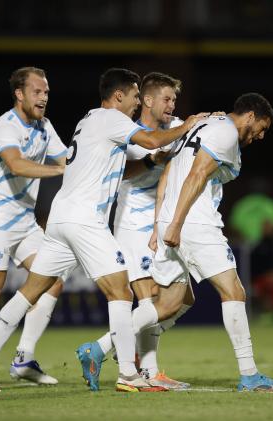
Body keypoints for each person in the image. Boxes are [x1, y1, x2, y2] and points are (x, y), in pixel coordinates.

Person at [0, 68, 207, 393]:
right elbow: (151, 139)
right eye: (136, 96)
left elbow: (123, 170)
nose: (138, 103)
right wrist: (188, 124)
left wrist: (153, 162)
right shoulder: (113, 119)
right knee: (120, 292)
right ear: (119, 96)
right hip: (84, 219)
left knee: (30, 291)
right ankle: (128, 375)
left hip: (60, 217)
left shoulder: (89, 120)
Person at [133, 92, 273, 391]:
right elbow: (196, 174)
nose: (261, 135)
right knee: (234, 291)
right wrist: (176, 223)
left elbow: (170, 172)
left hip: (174, 218)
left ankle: (101, 347)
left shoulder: (207, 125)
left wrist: (162, 222)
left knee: (171, 301)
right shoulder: (226, 132)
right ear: (250, 116)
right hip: (193, 221)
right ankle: (249, 375)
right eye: (262, 127)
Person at [78, 72, 192, 390]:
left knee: (183, 298)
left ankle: (107, 348)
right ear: (149, 101)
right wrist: (155, 161)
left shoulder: (176, 127)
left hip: (162, 223)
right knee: (151, 300)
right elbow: (123, 173)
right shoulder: (129, 132)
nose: (172, 105)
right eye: (166, 99)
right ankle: (144, 368)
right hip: (131, 223)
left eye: (175, 100)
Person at [0, 67, 67, 389]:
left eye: (46, 92)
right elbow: (16, 164)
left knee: (53, 279)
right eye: (37, 91)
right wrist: (58, 170)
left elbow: (67, 160)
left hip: (24, 221)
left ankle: (23, 358)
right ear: (19, 94)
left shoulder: (45, 127)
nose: (43, 97)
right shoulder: (3, 127)